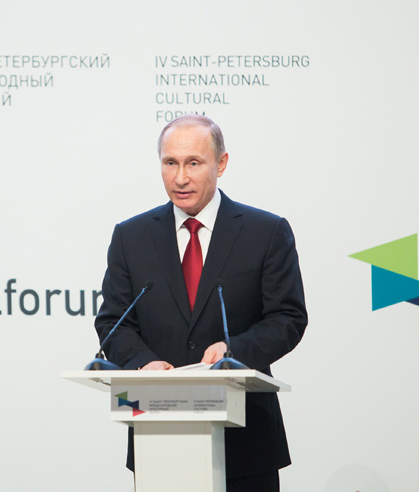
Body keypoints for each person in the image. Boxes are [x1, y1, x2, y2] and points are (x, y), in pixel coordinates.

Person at [94, 114, 307, 492]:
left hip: (246, 439)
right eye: (170, 163)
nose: (180, 178)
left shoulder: (265, 232)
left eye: (193, 163)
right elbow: (113, 321)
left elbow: (287, 318)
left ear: (221, 164)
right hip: (158, 436)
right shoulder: (131, 237)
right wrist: (143, 361)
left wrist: (233, 351)